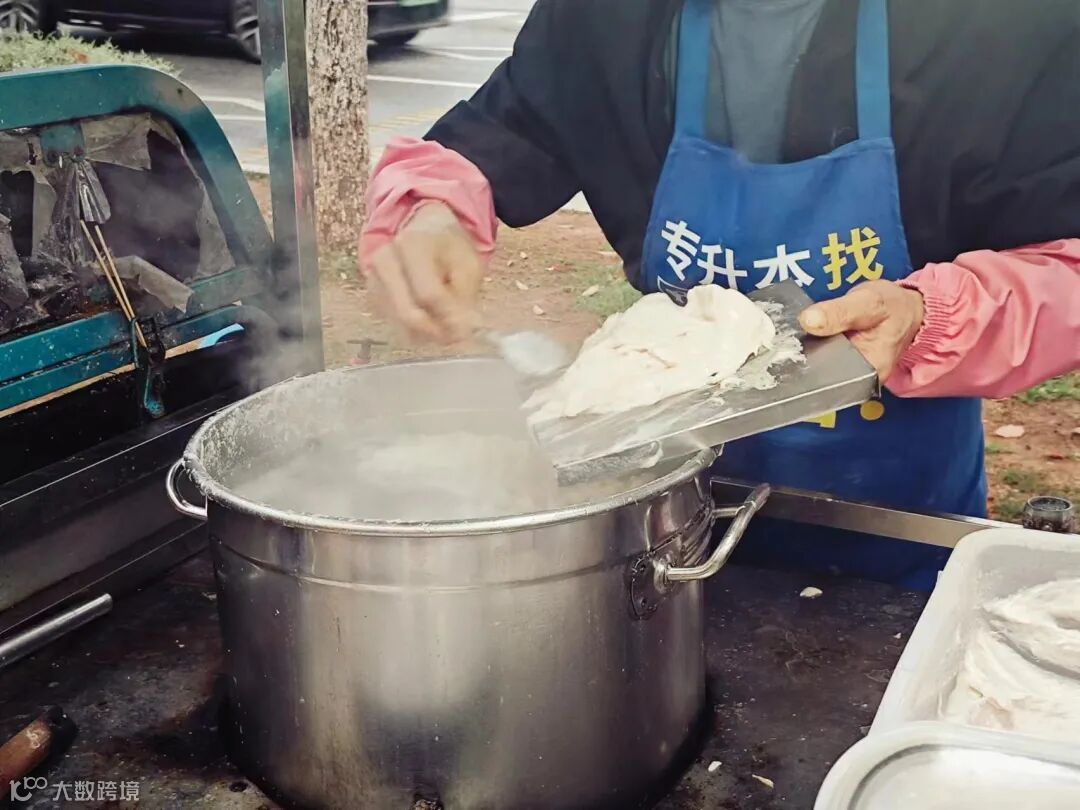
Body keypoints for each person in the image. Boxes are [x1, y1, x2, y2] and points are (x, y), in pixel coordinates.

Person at [360, 0, 1080, 590]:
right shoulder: (606, 17)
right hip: (657, 536)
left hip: (897, 532)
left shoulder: (996, 24)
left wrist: (928, 316)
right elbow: (510, 126)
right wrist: (435, 208)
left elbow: (1066, 265)